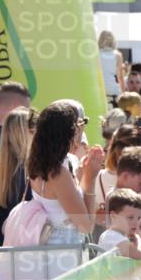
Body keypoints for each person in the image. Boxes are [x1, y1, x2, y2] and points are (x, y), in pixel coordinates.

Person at [25, 101, 104, 244]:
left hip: (55, 252)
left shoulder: (39, 162)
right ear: (69, 133)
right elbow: (85, 226)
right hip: (62, 257)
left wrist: (83, 174)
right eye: (79, 125)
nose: (81, 130)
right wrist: (90, 178)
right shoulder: (58, 173)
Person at [0, 108, 36, 245]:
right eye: (32, 129)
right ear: (24, 133)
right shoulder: (32, 168)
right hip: (27, 242)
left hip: (2, 239)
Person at [99, 188, 141, 259]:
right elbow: (139, 255)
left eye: (139, 218)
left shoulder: (121, 236)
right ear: (113, 216)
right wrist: (138, 238)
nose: (136, 223)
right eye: (130, 217)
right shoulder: (112, 236)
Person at [98, 30, 125, 104]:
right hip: (113, 88)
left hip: (99, 87)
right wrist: (123, 92)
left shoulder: (96, 54)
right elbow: (120, 77)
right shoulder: (117, 55)